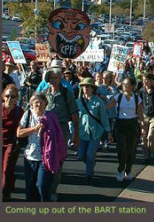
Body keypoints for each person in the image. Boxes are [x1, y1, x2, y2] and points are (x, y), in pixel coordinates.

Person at [17, 93, 66, 202]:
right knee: (30, 188)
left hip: (45, 158)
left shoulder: (50, 116)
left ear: (45, 104)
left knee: (42, 186)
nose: (38, 104)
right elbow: (19, 133)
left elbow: (58, 135)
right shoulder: (27, 115)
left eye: (41, 102)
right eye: (36, 102)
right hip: (30, 156)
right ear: (31, 104)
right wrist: (35, 128)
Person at [43, 67, 79, 201]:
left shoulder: (66, 94)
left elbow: (74, 115)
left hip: (61, 130)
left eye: (56, 78)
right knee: (44, 158)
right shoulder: (43, 93)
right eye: (51, 77)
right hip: (46, 130)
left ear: (60, 79)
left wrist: (76, 134)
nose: (53, 80)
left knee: (57, 161)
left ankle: (53, 189)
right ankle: (44, 186)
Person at [107, 77, 145, 182]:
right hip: (120, 124)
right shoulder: (118, 97)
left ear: (132, 86)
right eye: (123, 84)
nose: (125, 86)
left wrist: (143, 126)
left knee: (131, 149)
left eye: (127, 84)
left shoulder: (137, 98)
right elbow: (109, 105)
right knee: (121, 149)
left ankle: (128, 170)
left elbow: (140, 113)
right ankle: (120, 169)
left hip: (132, 124)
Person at [76, 78, 112, 183]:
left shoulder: (98, 101)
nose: (85, 88)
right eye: (83, 86)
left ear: (92, 88)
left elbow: (104, 117)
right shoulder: (78, 102)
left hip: (95, 132)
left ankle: (89, 173)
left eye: (87, 86)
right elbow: (74, 118)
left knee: (90, 154)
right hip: (82, 132)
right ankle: (90, 164)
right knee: (81, 154)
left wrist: (108, 131)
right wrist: (73, 131)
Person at [2, 84, 24, 201]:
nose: (9, 99)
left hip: (12, 144)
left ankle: (6, 192)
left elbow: (24, 127)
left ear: (17, 98)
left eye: (13, 96)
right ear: (3, 96)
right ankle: (10, 181)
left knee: (7, 169)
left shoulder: (19, 112)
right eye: (7, 96)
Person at [139, 73, 154, 164]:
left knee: (151, 136)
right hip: (145, 115)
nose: (145, 81)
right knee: (144, 137)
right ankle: (145, 156)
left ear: (150, 81)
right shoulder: (141, 91)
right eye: (144, 79)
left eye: (147, 80)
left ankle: (152, 155)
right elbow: (139, 104)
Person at [96, 71, 117, 151]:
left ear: (109, 79)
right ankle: (101, 142)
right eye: (103, 78)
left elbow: (114, 98)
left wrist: (105, 97)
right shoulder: (99, 88)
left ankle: (106, 142)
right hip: (102, 111)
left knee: (108, 127)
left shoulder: (112, 88)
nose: (104, 79)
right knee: (101, 127)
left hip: (110, 111)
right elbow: (97, 96)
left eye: (106, 78)